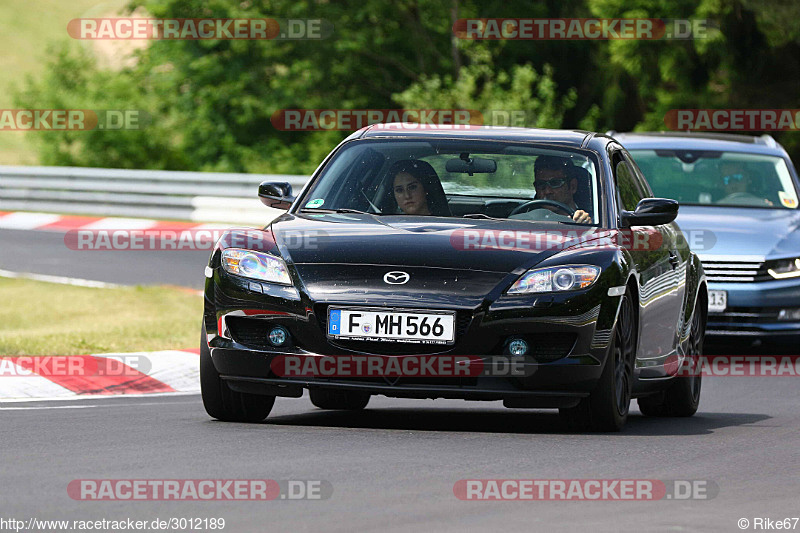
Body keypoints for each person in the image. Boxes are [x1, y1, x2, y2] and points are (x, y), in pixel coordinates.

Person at [533, 155, 592, 223]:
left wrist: (585, 224)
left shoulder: (594, 219)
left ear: (573, 186)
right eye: (541, 184)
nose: (547, 191)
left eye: (555, 183)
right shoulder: (525, 217)